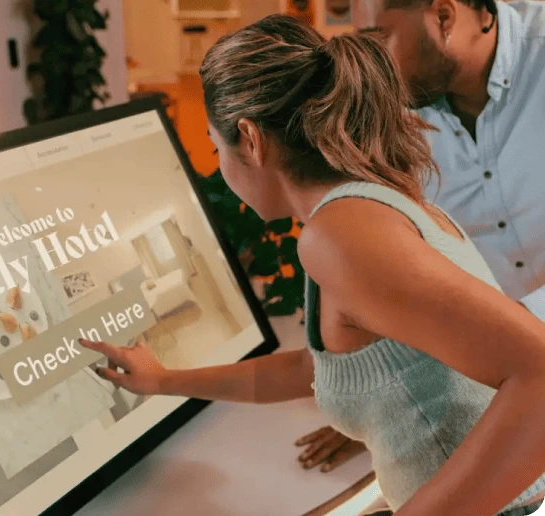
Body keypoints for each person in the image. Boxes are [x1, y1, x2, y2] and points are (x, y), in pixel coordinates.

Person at [80, 15, 545, 516]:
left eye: (218, 149)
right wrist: (164, 380)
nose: (220, 167)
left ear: (251, 140)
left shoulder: (340, 235)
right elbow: (316, 367)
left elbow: (539, 374)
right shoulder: (365, 204)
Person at [294, 0, 545, 498]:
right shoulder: (402, 110)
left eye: (383, 36)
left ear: (445, 16)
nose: (378, 64)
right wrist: (390, 408)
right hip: (508, 384)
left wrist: (507, 340)